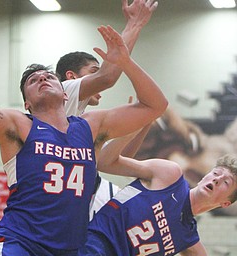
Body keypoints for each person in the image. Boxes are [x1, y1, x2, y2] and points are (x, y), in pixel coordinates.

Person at [0, 0, 167, 254]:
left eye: (49, 76)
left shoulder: (90, 126)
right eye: (33, 80)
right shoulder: (18, 125)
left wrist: (127, 62)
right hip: (21, 242)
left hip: (70, 246)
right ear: (27, 103)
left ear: (65, 93)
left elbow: (154, 106)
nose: (42, 77)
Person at [56, 0, 158, 219]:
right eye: (92, 70)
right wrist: (134, 25)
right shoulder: (62, 92)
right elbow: (107, 77)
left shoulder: (80, 117)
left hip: (76, 199)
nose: (97, 76)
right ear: (71, 76)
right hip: (54, 199)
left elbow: (116, 159)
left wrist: (142, 121)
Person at [78, 131, 237, 255]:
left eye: (226, 181)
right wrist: (132, 129)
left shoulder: (188, 239)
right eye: (216, 173)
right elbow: (105, 162)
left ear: (225, 203)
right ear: (205, 177)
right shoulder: (170, 176)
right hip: (95, 244)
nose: (217, 179)